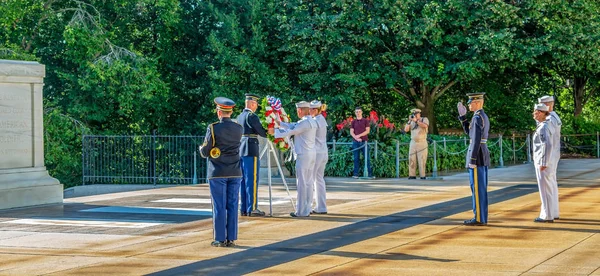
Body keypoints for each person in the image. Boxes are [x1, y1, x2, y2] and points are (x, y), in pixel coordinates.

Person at [199, 97, 243, 247]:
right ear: (230, 112)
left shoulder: (213, 128)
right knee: (232, 205)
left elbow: (205, 151)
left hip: (218, 171)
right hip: (235, 171)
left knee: (219, 206)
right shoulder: (239, 128)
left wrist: (201, 149)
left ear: (219, 112)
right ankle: (231, 238)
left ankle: (220, 238)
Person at [274, 101, 317, 217]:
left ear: (301, 110)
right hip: (311, 154)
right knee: (308, 183)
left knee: (302, 183)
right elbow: (293, 126)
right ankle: (306, 209)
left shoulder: (304, 123)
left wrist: (275, 132)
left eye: (298, 110)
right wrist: (280, 123)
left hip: (304, 155)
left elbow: (291, 131)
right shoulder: (311, 121)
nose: (297, 112)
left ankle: (301, 211)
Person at [457, 92, 490, 226]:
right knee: (480, 188)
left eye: (471, 102)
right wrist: (463, 118)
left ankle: (479, 218)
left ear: (477, 103)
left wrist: (472, 159)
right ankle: (481, 216)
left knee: (477, 188)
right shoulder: (481, 116)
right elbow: (470, 133)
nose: (469, 104)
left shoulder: (477, 118)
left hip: (478, 155)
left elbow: (475, 140)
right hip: (482, 154)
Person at [238, 93, 271, 217]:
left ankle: (244, 208)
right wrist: (271, 132)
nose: (256, 106)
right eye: (256, 104)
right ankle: (253, 208)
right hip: (250, 148)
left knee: (243, 180)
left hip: (241, 149)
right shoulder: (251, 116)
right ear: (252, 103)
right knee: (252, 180)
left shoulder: (240, 116)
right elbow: (261, 131)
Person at [531, 103, 556, 223]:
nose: (533, 114)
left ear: (541, 113)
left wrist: (544, 162)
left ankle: (546, 215)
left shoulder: (543, 127)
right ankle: (548, 214)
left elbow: (547, 145)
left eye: (535, 111)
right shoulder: (544, 125)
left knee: (544, 189)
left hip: (543, 162)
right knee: (547, 189)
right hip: (544, 161)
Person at [538, 95, 561, 220]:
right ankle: (553, 212)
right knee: (551, 184)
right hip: (553, 155)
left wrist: (544, 160)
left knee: (545, 186)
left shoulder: (548, 120)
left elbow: (547, 141)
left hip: (548, 156)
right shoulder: (554, 117)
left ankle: (547, 214)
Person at [309, 100, 328, 215]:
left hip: (316, 153)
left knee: (310, 179)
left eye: (311, 109)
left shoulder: (315, 120)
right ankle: (321, 206)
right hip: (323, 152)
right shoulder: (322, 119)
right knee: (319, 179)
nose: (309, 111)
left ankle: (308, 205)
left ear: (315, 110)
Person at [403, 108, 429, 179]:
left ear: (419, 114)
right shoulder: (411, 121)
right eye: (413, 114)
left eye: (415, 114)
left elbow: (425, 126)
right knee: (411, 159)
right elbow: (406, 130)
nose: (414, 115)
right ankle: (412, 175)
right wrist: (409, 121)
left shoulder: (424, 119)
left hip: (422, 142)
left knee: (422, 159)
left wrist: (416, 121)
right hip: (413, 142)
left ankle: (422, 175)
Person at [350, 106, 373, 179]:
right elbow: (351, 132)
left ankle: (369, 174)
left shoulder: (365, 121)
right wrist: (356, 137)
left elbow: (367, 131)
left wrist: (359, 136)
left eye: (359, 111)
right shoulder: (353, 121)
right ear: (355, 113)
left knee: (367, 158)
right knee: (356, 158)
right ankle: (356, 174)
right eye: (357, 112)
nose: (358, 113)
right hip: (355, 142)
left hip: (364, 142)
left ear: (362, 112)